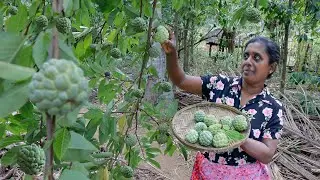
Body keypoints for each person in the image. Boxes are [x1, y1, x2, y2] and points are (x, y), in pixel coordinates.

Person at [161, 32, 284, 180]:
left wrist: (236, 137)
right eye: (246, 56)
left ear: (271, 68)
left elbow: (267, 154)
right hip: (208, 172)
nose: (248, 61)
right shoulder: (219, 85)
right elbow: (181, 81)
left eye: (256, 57)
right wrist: (171, 54)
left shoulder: (272, 107)